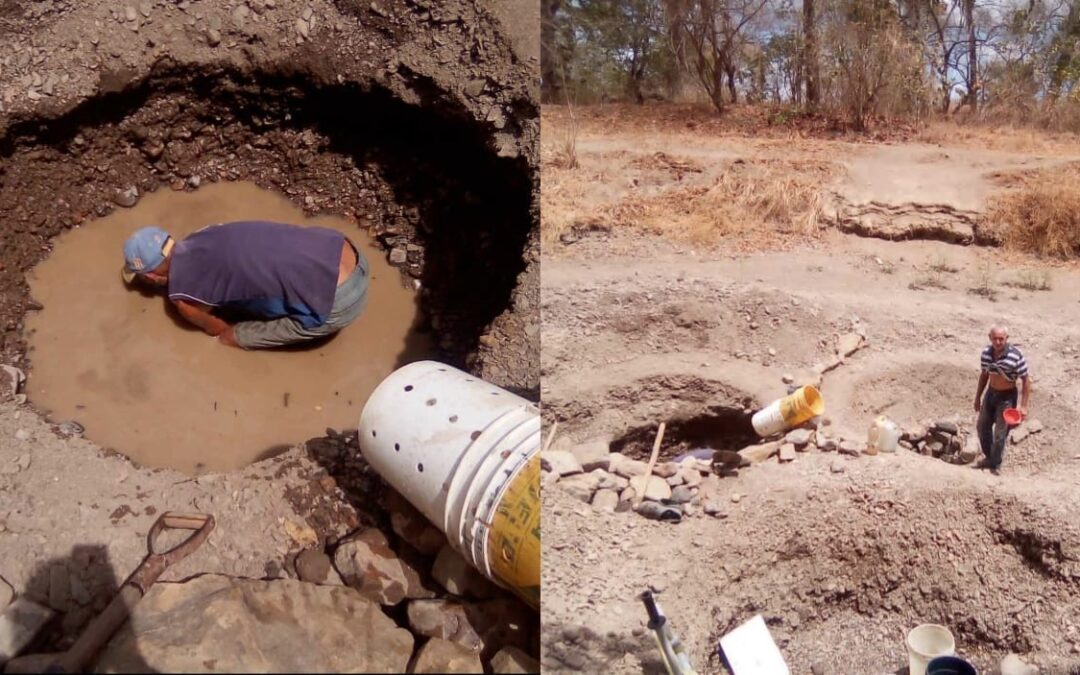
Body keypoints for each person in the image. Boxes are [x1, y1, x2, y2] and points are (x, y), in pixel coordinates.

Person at [121, 220, 368, 349]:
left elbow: (217, 328)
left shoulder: (182, 298)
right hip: (347, 250)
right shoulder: (206, 231)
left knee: (230, 338)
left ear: (151, 277)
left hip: (341, 301)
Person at [973, 325, 1031, 474]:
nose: (998, 342)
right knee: (982, 426)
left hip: (1007, 397)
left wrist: (1023, 405)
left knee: (1000, 432)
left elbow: (1026, 379)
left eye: (1001, 339)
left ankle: (995, 464)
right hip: (991, 393)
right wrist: (978, 397)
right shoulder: (986, 353)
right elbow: (984, 375)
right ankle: (989, 457)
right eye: (995, 339)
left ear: (1007, 339)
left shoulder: (1015, 355)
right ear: (990, 338)